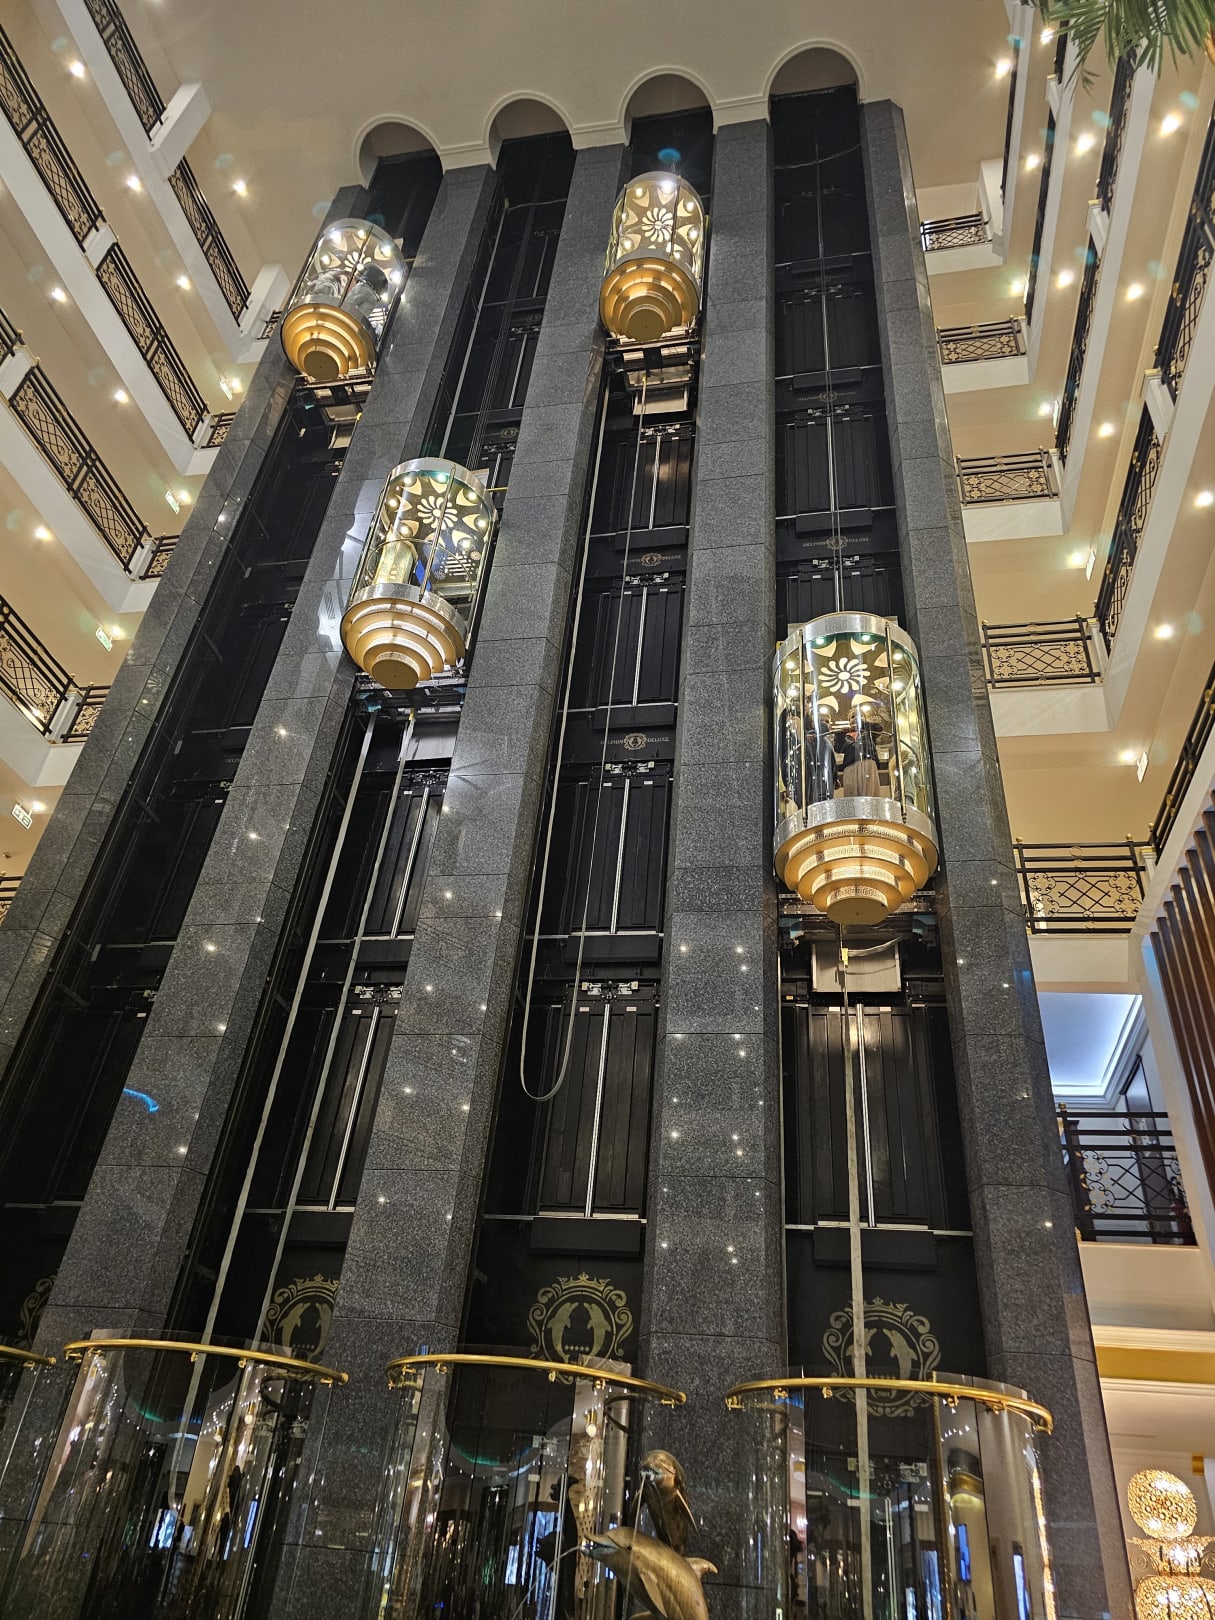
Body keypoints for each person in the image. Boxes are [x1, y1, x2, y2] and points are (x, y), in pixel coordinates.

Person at [840, 710, 880, 797]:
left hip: (867, 763)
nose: (856, 718)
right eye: (852, 717)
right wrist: (842, 733)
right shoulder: (846, 735)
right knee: (851, 795)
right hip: (850, 765)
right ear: (849, 721)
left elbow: (879, 728)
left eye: (860, 716)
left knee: (869, 793)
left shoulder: (869, 730)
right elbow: (838, 748)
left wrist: (862, 724)